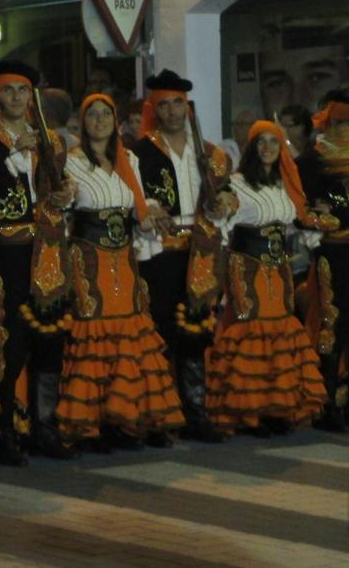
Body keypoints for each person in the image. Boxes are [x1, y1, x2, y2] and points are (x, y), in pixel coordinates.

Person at [56, 94, 185, 451]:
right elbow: (64, 207)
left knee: (129, 331)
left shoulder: (129, 159)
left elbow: (138, 210)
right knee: (94, 333)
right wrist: (62, 194)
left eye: (106, 114)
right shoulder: (71, 162)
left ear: (116, 121)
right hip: (89, 260)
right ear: (83, 123)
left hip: (124, 259)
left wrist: (154, 217)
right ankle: (92, 423)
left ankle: (127, 420)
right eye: (92, 115)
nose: (100, 121)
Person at [0, 59, 75, 466]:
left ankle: (44, 426)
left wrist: (65, 196)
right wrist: (13, 152)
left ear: (32, 97)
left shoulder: (51, 140)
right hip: (8, 250)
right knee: (12, 340)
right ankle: (4, 431)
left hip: (48, 249)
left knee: (50, 337)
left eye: (23, 91)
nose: (16, 97)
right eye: (8, 90)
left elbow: (55, 189)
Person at [131, 70, 233, 443]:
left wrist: (226, 200)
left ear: (187, 108)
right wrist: (149, 208)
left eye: (177, 103)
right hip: (160, 253)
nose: (171, 111)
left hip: (201, 251)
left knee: (195, 330)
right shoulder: (139, 153)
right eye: (164, 104)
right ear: (153, 109)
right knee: (161, 330)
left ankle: (195, 412)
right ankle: (159, 415)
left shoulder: (211, 154)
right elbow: (134, 198)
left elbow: (228, 194)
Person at [207, 121, 327, 436]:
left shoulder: (285, 184)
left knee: (279, 328)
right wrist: (220, 205)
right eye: (262, 142)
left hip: (280, 267)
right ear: (252, 146)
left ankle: (276, 407)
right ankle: (251, 410)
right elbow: (223, 212)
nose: (268, 148)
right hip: (247, 265)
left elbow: (299, 221)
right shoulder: (237, 183)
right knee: (253, 328)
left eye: (275, 142)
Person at [298, 92, 349, 432]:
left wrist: (339, 211)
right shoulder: (313, 160)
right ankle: (327, 405)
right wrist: (341, 213)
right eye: (340, 123)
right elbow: (308, 210)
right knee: (332, 323)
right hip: (333, 254)